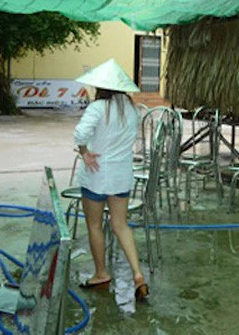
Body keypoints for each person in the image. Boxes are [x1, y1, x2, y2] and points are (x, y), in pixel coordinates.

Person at [73, 59, 149, 302]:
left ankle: (100, 273)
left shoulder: (97, 108)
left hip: (96, 176)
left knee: (95, 226)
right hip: (121, 176)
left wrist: (84, 150)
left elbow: (79, 134)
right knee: (120, 225)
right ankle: (138, 275)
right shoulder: (131, 109)